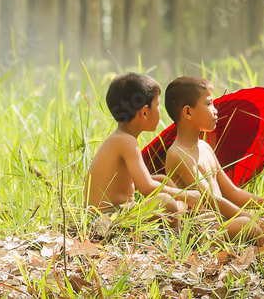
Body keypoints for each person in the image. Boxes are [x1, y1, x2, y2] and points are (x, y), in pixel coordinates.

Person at [163, 76, 264, 244]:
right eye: (208, 104)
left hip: (228, 221)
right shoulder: (178, 154)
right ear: (188, 112)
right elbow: (212, 200)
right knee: (249, 226)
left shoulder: (205, 147)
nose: (215, 110)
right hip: (207, 230)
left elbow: (232, 192)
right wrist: (257, 220)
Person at [85, 72, 201, 216]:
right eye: (157, 105)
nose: (159, 110)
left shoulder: (120, 138)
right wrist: (185, 195)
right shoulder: (126, 141)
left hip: (115, 212)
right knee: (165, 201)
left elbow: (131, 181)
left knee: (162, 180)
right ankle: (178, 233)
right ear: (145, 112)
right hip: (107, 217)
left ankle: (183, 216)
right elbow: (146, 187)